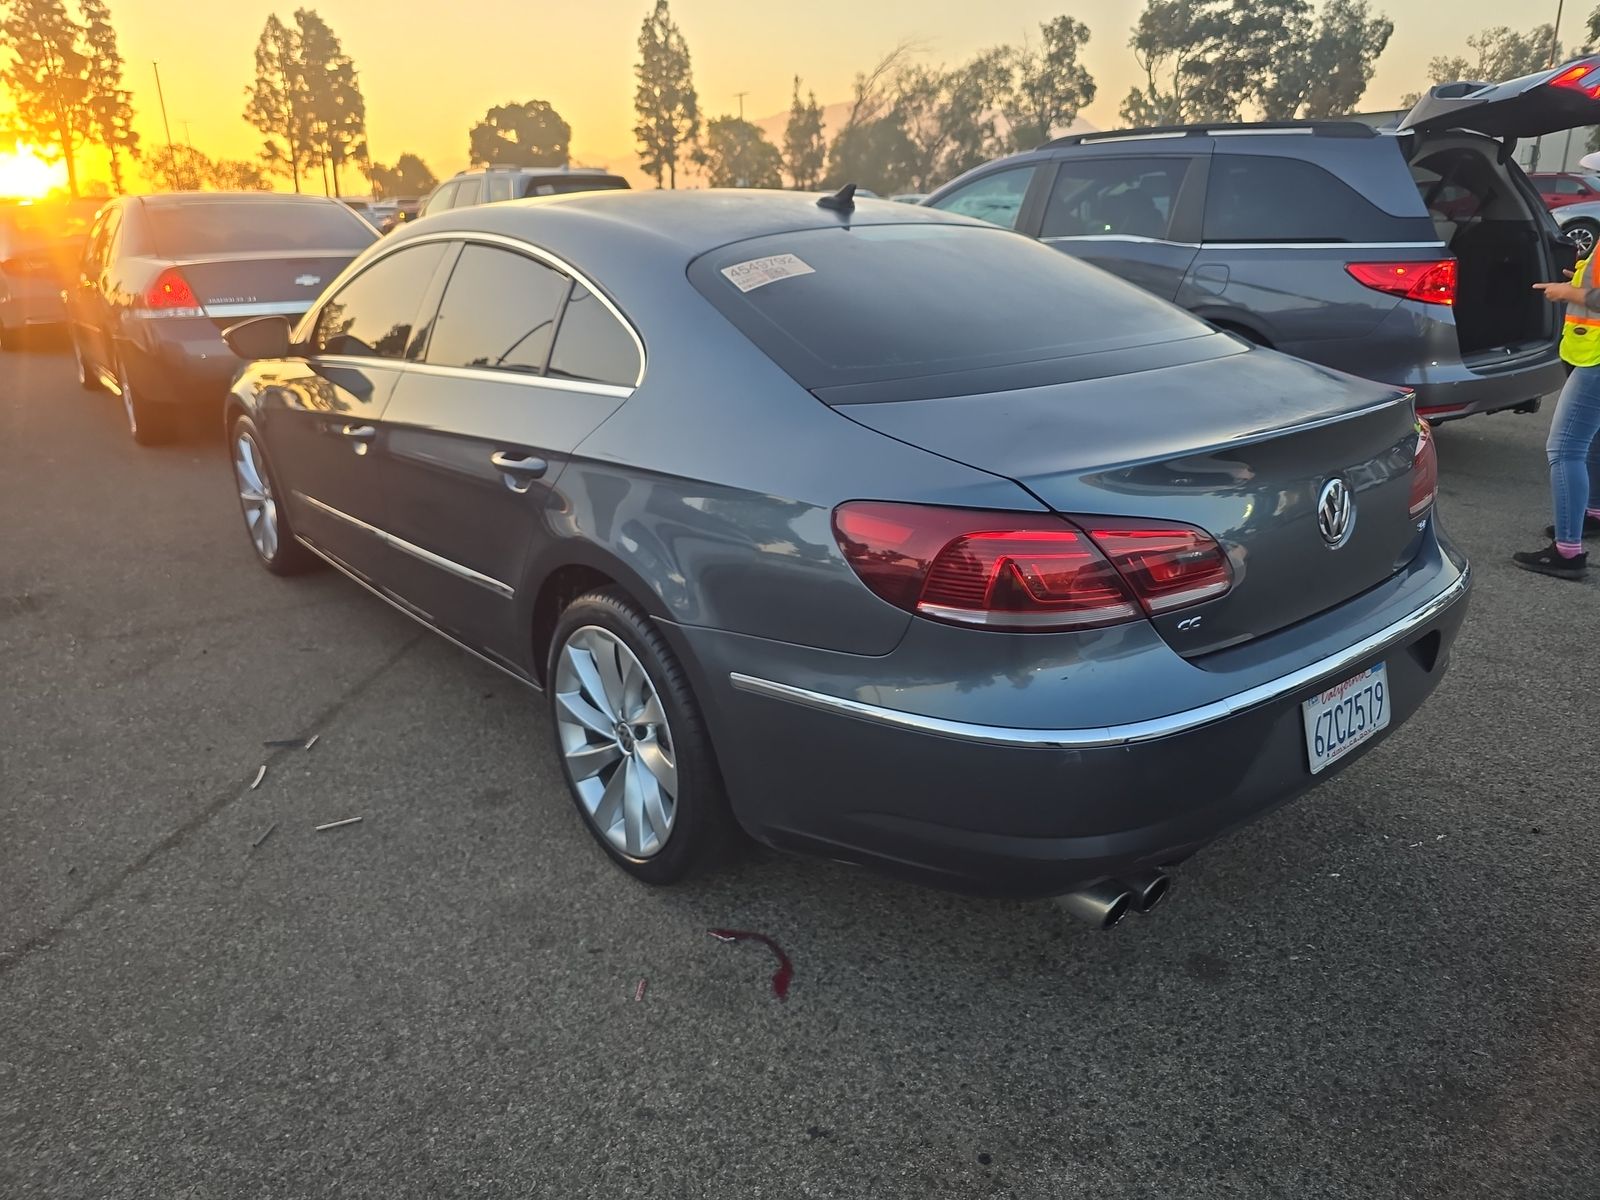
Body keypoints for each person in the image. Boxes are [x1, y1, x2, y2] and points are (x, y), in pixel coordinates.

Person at [1520, 262, 1600, 580]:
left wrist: (1571, 292)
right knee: (1591, 436)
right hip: (1588, 350)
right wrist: (1579, 280)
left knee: (1565, 448)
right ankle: (1593, 512)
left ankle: (1567, 552)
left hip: (1596, 356)